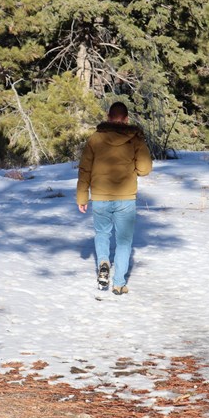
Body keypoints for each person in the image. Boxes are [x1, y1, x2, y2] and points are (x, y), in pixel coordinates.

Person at [76, 102, 153, 295]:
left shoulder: (95, 138)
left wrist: (82, 196)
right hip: (126, 197)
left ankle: (103, 262)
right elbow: (145, 169)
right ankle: (118, 283)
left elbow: (84, 168)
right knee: (124, 241)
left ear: (108, 117)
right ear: (126, 119)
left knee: (102, 234)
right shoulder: (135, 139)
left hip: (100, 196)